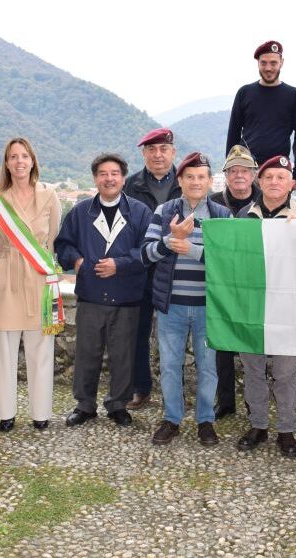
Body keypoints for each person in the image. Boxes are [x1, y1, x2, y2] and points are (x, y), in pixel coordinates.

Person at [55, 153, 152, 429]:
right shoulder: (80, 211)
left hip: (127, 296)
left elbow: (147, 251)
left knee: (123, 354)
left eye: (114, 173)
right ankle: (84, 405)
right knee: (87, 352)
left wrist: (119, 265)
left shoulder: (140, 211)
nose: (109, 178)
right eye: (103, 174)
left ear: (123, 178)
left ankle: (118, 404)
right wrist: (78, 261)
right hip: (91, 294)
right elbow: (63, 244)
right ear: (95, 178)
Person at [143, 152, 232, 446]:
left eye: (201, 177)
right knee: (170, 364)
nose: (196, 182)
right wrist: (171, 241)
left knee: (208, 367)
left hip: (209, 307)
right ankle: (172, 419)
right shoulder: (165, 211)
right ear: (179, 180)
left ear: (210, 181)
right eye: (189, 176)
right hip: (172, 306)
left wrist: (191, 249)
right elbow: (146, 253)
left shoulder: (222, 215)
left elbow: (228, 261)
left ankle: (206, 421)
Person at [234, 155, 296, 458]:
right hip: (252, 305)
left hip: (288, 307)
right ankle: (257, 425)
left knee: (284, 373)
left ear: (291, 182)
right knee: (253, 370)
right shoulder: (245, 215)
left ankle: (286, 429)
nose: (274, 182)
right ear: (259, 181)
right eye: (268, 177)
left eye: (281, 177)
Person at [0, 137, 62, 431]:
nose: (19, 162)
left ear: (32, 161)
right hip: (5, 277)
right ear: (6, 163)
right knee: (4, 348)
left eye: (24, 156)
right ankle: (6, 413)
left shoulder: (50, 195)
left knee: (41, 347)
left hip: (39, 277)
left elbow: (51, 236)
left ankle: (40, 413)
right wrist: (6, 263)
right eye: (13, 157)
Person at [125, 128, 180, 411]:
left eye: (163, 149)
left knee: (183, 332)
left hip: (180, 271)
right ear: (143, 154)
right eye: (151, 150)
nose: (157, 155)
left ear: (173, 152)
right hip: (142, 271)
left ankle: (179, 392)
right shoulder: (129, 186)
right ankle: (140, 388)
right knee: (138, 333)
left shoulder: (186, 182)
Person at [209, 145, 261, 418]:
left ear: (254, 174)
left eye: (244, 170)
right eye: (233, 171)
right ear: (226, 175)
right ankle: (225, 401)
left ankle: (256, 404)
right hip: (223, 286)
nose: (238, 175)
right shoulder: (213, 202)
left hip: (256, 286)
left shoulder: (267, 199)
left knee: (255, 346)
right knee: (222, 348)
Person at [226, 41, 296, 186]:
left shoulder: (294, 95)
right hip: (247, 168)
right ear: (258, 63)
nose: (268, 68)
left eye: (273, 63)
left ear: (281, 63)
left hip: (279, 169)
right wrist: (230, 169)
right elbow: (233, 133)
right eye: (263, 63)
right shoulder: (244, 93)